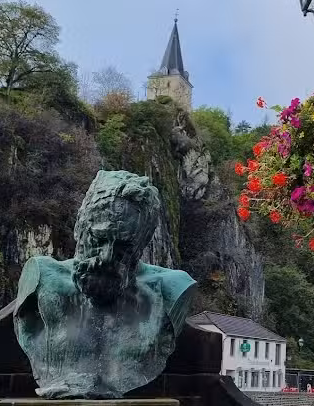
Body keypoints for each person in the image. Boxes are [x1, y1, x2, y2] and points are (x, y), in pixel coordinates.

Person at [14, 170, 197, 398]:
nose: (106, 258)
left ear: (143, 242)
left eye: (123, 247)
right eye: (99, 239)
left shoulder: (169, 289)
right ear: (80, 227)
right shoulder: (43, 278)